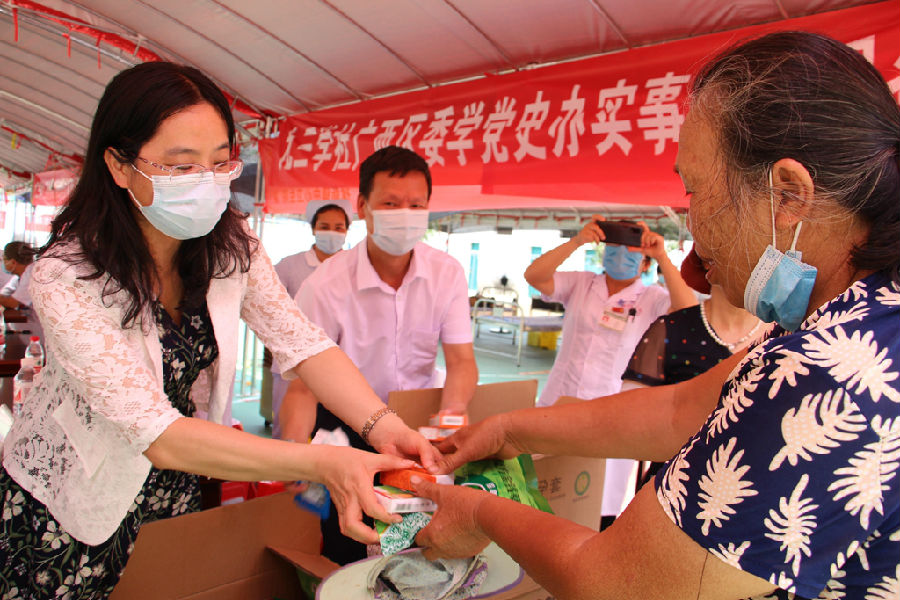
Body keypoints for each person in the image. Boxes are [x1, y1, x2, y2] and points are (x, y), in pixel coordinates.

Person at [412, 32, 900, 600]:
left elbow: (614, 583)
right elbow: (679, 408)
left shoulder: (832, 372)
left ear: (789, 194)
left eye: (694, 191)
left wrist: (479, 513)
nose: (690, 226)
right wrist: (507, 428)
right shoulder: (846, 320)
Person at [0, 62, 437, 598]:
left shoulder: (233, 249)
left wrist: (384, 426)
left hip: (176, 484)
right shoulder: (65, 277)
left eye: (219, 163)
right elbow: (155, 431)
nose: (206, 184)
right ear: (118, 165)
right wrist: (325, 461)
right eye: (181, 167)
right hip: (70, 503)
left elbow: (303, 344)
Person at [281, 145, 478, 564]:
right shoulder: (326, 284)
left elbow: (461, 361)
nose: (404, 214)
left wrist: (452, 416)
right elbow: (303, 386)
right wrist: (296, 451)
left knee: (424, 547)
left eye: (415, 205)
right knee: (350, 544)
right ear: (363, 206)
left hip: (423, 426)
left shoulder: (447, 273)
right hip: (347, 429)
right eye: (390, 203)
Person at [524, 216, 697, 525]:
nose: (622, 254)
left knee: (594, 505)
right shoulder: (581, 283)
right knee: (543, 495)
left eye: (632, 249)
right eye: (615, 246)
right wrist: (576, 241)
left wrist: (663, 257)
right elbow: (534, 275)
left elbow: (688, 312)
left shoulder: (652, 297)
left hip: (612, 414)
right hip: (561, 402)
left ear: (644, 263)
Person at [623, 246, 766, 485]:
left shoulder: (784, 336)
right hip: (672, 488)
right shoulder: (671, 329)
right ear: (709, 264)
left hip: (752, 493)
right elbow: (631, 419)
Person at [268, 199, 353, 438]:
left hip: (340, 363)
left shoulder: (354, 266)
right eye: (325, 226)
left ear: (347, 231)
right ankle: (281, 473)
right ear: (313, 228)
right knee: (287, 429)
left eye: (339, 227)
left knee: (334, 430)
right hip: (294, 362)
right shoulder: (289, 266)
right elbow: (270, 309)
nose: (332, 233)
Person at [0, 241, 37, 310]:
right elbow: (5, 293)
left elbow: (13, 303)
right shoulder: (18, 277)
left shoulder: (31, 276)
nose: (2, 263)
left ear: (13, 262)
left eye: (4, 260)